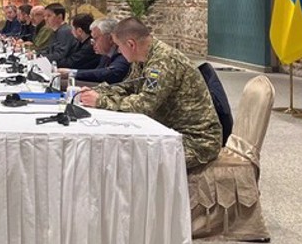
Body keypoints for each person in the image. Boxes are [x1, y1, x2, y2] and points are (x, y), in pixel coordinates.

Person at [78, 17, 222, 171]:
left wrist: (100, 101)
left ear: (131, 44)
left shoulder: (163, 62)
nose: (118, 51)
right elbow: (128, 87)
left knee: (129, 162)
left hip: (196, 140)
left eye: (119, 46)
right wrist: (97, 92)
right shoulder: (142, 58)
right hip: (168, 131)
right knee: (115, 150)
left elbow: (145, 105)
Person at [58, 18, 129, 86]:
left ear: (110, 38)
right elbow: (97, 74)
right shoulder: (105, 55)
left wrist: (73, 73)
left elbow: (111, 73)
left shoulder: (123, 52)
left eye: (95, 38)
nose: (92, 43)